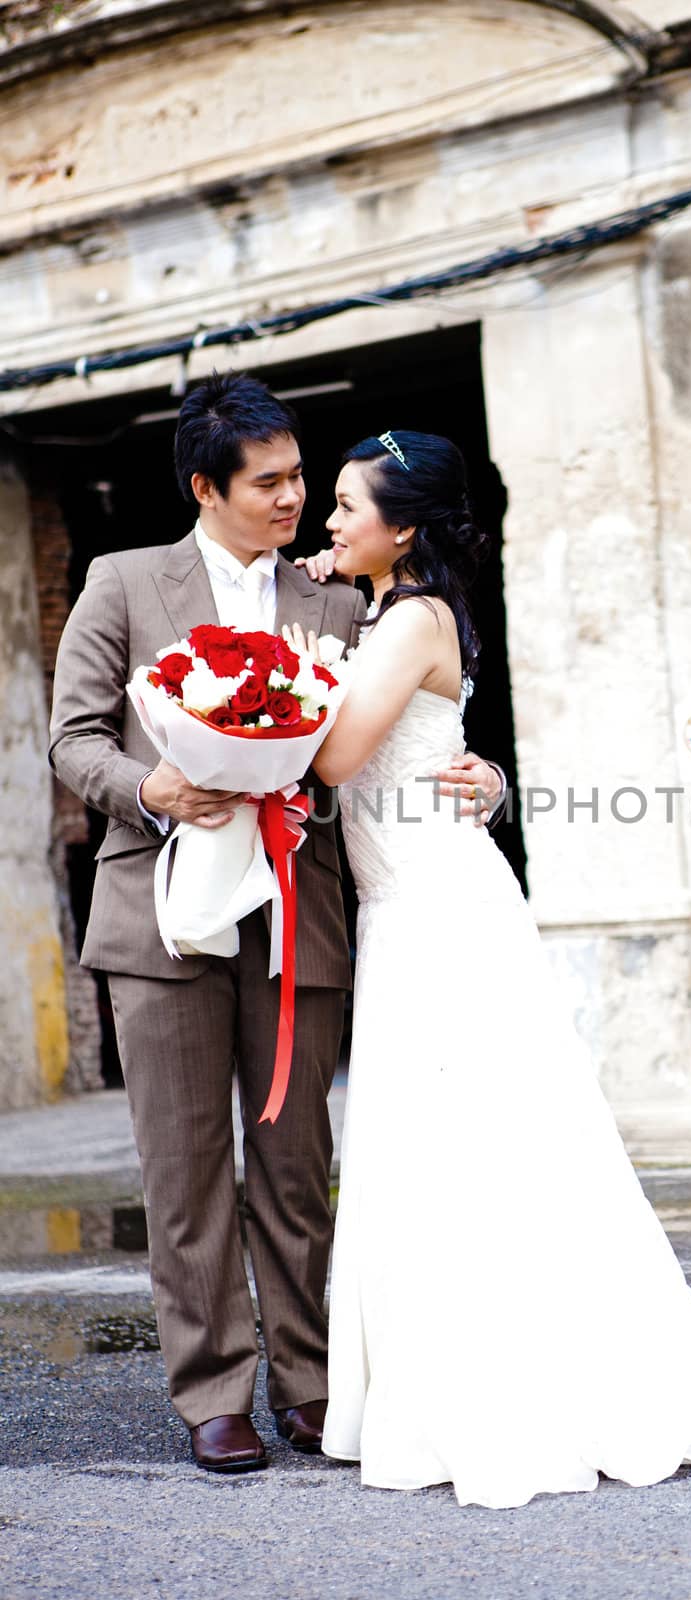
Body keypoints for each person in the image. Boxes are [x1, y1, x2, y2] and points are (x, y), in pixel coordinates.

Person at [290, 429, 691, 1509]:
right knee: (448, 1141)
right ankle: (441, 1378)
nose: (326, 522)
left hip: (436, 910)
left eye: (342, 505)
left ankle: (507, 1386)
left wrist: (274, 693)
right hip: (407, 902)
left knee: (474, 1143)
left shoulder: (411, 617)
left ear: (401, 526)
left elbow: (332, 757)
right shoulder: (392, 612)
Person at [48, 376, 504, 1474]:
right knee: (185, 1162)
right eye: (270, 481)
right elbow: (71, 739)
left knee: (297, 1160)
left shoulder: (339, 599)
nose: (296, 497)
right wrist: (152, 788)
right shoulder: (120, 583)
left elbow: (404, 719)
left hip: (303, 912)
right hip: (160, 917)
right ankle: (214, 1390)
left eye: (303, 476)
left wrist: (476, 772)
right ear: (207, 487)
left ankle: (309, 1382)